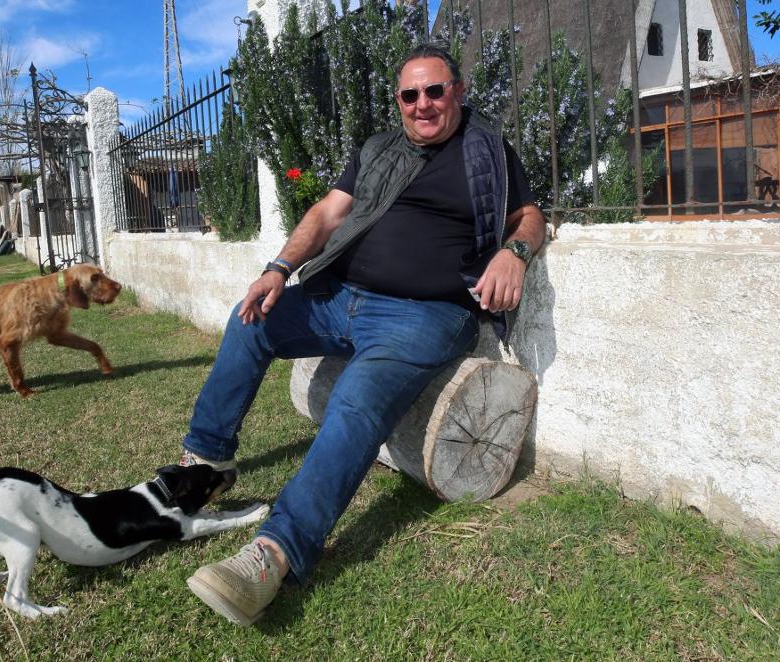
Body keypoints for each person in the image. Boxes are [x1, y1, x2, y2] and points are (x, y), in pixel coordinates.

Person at [182, 43, 546, 625]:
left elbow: (528, 215)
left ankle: (273, 555)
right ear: (398, 101)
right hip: (340, 297)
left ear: (458, 90)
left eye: (435, 90)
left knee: (354, 399)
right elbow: (327, 214)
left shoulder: (489, 151)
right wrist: (277, 270)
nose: (423, 104)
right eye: (410, 94)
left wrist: (515, 253)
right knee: (252, 319)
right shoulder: (378, 150)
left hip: (426, 314)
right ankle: (204, 465)